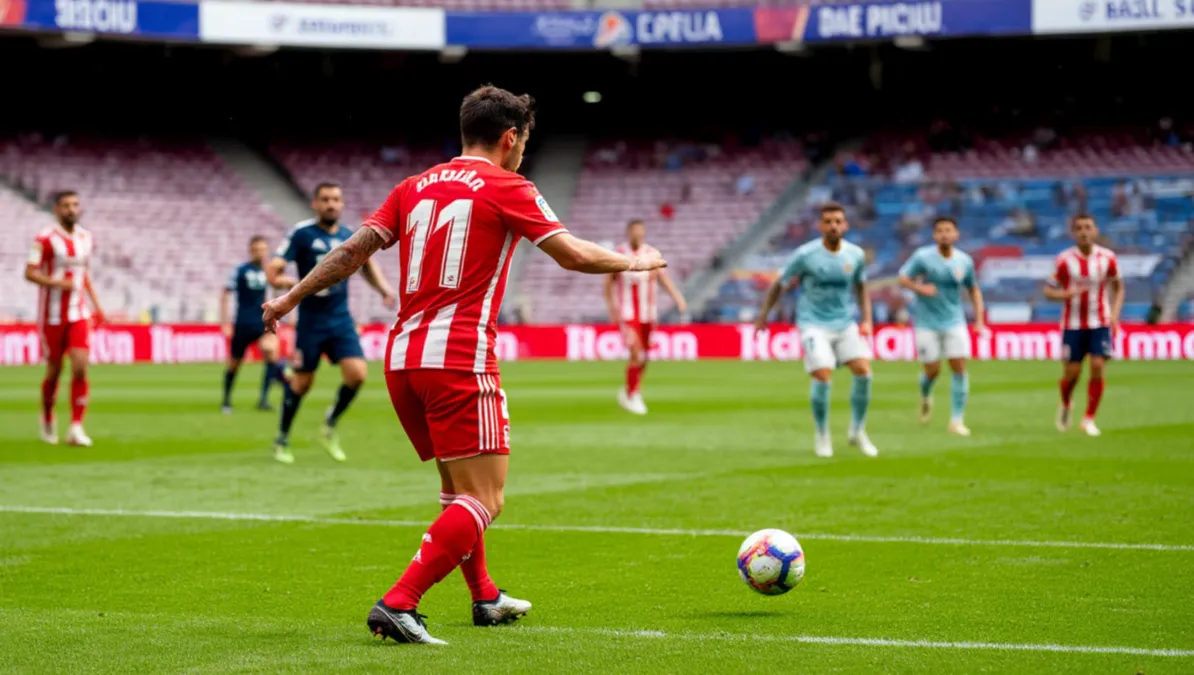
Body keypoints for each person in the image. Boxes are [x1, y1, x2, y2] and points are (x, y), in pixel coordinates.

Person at [261, 85, 666, 645]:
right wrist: (636, 262)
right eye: (524, 141)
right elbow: (572, 254)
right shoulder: (509, 185)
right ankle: (399, 602)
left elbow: (351, 252)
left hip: (403, 357)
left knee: (457, 489)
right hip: (458, 357)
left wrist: (288, 298)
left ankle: (485, 595)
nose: (523, 151)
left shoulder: (412, 186)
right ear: (509, 138)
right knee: (486, 498)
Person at [265, 182, 397, 464]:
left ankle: (329, 424)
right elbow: (274, 269)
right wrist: (293, 284)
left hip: (340, 319)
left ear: (342, 204)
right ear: (315, 204)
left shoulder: (349, 235)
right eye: (325, 199)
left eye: (336, 199)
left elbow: (367, 265)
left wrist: (384, 290)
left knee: (357, 374)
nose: (331, 204)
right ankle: (282, 438)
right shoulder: (301, 233)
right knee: (302, 384)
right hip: (310, 321)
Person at [752, 203, 877, 459]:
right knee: (822, 374)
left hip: (845, 323)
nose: (833, 226)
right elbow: (779, 284)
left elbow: (861, 287)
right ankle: (822, 435)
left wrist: (867, 320)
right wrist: (763, 315)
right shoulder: (805, 255)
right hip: (813, 324)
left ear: (845, 225)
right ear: (820, 226)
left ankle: (857, 431)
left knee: (864, 372)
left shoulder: (855, 255)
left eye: (838, 221)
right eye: (828, 221)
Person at [24, 190, 105, 447]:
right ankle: (48, 418)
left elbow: (84, 275)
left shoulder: (86, 237)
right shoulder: (45, 239)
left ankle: (76, 427)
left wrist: (97, 306)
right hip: (52, 315)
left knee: (81, 366)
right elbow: (30, 273)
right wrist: (57, 283)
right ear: (57, 209)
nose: (72, 209)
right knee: (55, 370)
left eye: (75, 204)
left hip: (78, 313)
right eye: (67, 205)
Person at [898, 217, 985, 436]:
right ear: (934, 235)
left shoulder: (964, 261)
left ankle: (956, 420)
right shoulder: (923, 257)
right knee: (932, 370)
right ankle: (926, 395)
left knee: (959, 367)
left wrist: (979, 320)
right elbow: (903, 278)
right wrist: (921, 289)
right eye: (940, 231)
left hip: (954, 321)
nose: (944, 234)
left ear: (956, 234)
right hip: (926, 323)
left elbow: (973, 289)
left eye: (948, 230)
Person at [1044, 214, 1123, 437]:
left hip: (1100, 322)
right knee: (1072, 373)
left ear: (1095, 230)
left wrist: (1114, 315)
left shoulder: (1107, 258)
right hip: (1073, 324)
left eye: (1088, 227)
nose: (1084, 232)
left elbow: (1118, 287)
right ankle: (1066, 402)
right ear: (1073, 233)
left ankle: (1089, 419)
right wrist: (1065, 294)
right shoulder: (1064, 260)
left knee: (1097, 365)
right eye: (1079, 228)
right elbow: (1048, 290)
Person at [604, 219, 687, 415]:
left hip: (648, 313)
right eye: (634, 230)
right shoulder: (618, 254)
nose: (638, 234)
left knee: (645, 356)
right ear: (628, 232)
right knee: (636, 353)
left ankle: (630, 390)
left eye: (640, 230)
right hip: (627, 314)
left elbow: (663, 279)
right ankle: (632, 394)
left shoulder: (651, 253)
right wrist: (612, 309)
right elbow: (608, 283)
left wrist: (678, 298)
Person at [220, 235, 284, 414]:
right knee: (234, 363)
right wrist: (225, 322)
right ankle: (226, 401)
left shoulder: (269, 271)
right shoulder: (240, 270)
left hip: (262, 322)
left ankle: (263, 400)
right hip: (242, 323)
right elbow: (225, 294)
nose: (260, 253)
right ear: (250, 251)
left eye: (263, 250)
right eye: (256, 250)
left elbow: (276, 293)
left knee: (271, 353)